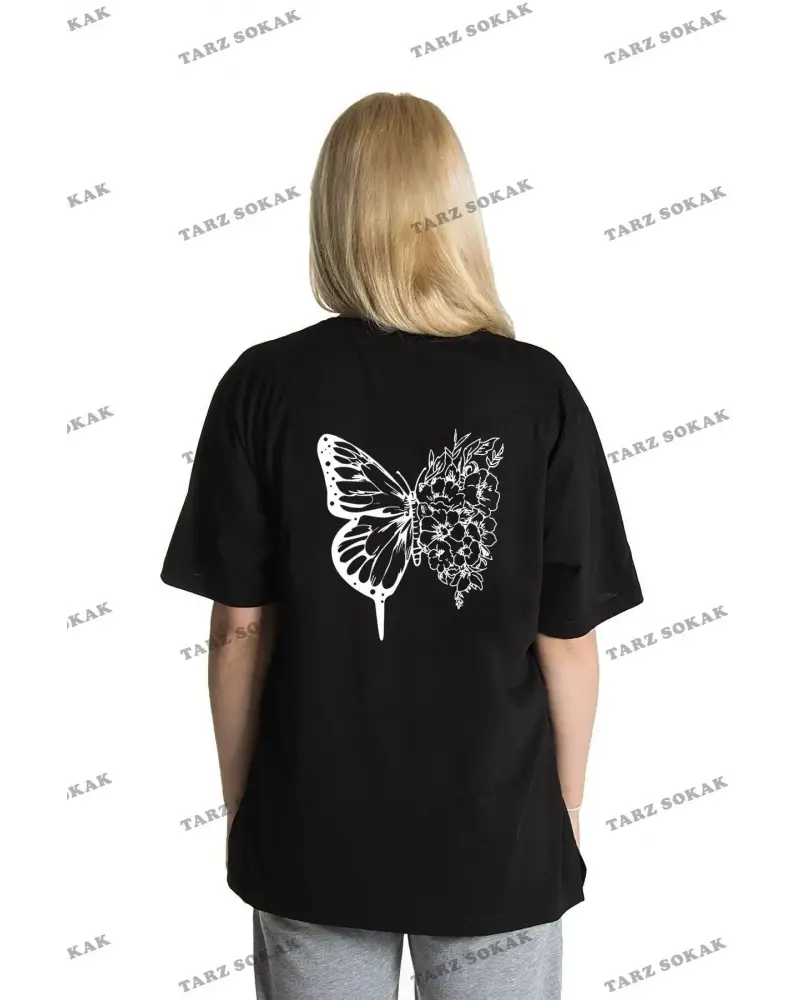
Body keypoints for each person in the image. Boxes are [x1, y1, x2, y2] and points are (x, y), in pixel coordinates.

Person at [161, 92, 644, 1000]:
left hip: (313, 829)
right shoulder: (537, 391)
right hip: (497, 837)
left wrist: (242, 807)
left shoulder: (263, 386)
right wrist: (567, 812)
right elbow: (570, 639)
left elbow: (236, 634)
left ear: (334, 214)